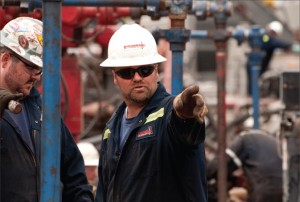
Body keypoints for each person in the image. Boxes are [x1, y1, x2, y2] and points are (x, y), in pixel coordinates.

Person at [94, 23, 209, 202]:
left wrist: (185, 116)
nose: (138, 78)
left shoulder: (170, 113)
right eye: (127, 72)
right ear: (115, 76)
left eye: (145, 70)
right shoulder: (111, 130)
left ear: (156, 70)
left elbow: (182, 129)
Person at [0, 17, 94, 201]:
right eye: (30, 67)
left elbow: (73, 174)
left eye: (40, 70)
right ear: (5, 59)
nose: (36, 77)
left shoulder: (41, 110)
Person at [207, 129, 283, 202]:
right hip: (284, 190)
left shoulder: (245, 138)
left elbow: (220, 163)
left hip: (264, 190)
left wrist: (204, 175)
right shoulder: (271, 141)